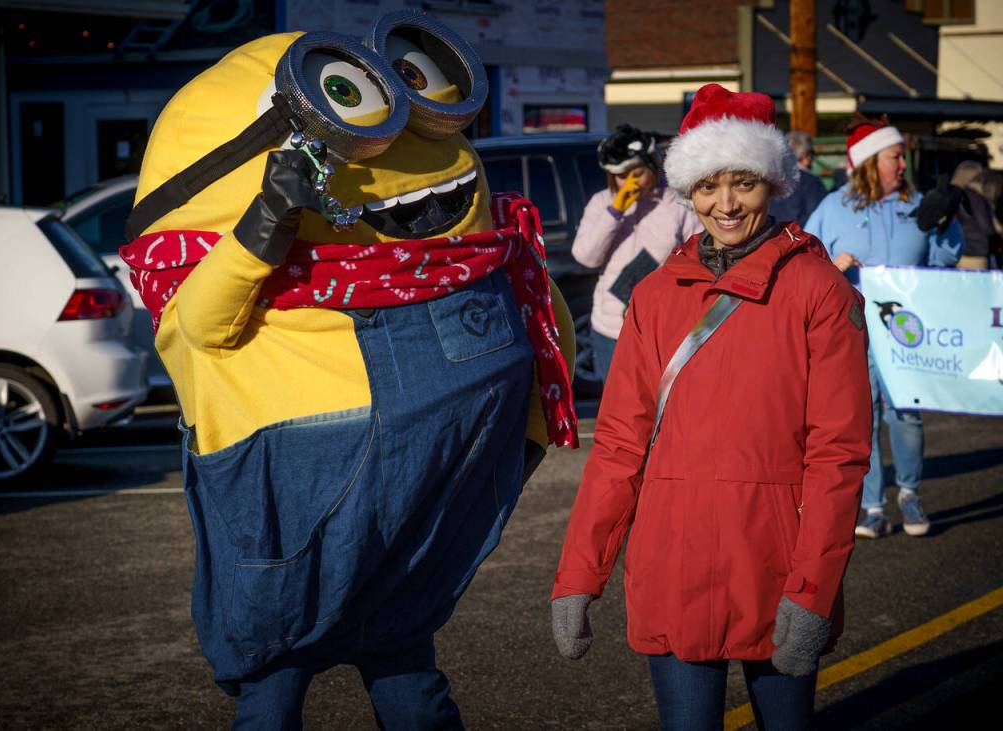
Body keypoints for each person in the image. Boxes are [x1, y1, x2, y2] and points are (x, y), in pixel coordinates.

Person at [120, 16, 578, 728]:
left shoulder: (480, 252)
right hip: (303, 508)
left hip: (373, 513)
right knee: (312, 667)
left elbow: (538, 332)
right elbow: (198, 326)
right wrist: (264, 222)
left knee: (358, 665)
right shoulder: (241, 258)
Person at [550, 83, 872, 729]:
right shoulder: (656, 295)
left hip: (777, 568)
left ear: (772, 183)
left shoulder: (819, 290)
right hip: (673, 566)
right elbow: (618, 443)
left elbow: (838, 455)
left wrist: (812, 591)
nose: (724, 204)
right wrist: (579, 573)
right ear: (688, 189)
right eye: (707, 186)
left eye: (743, 183)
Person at [805, 114, 963, 539]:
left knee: (906, 414)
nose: (902, 165)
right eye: (895, 156)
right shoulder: (833, 208)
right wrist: (831, 267)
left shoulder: (916, 206)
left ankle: (909, 494)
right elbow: (803, 267)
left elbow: (944, 261)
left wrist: (947, 225)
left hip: (905, 336)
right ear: (872, 160)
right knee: (862, 419)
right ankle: (873, 506)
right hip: (851, 334)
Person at [572, 124, 701, 380]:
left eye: (637, 172)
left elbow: (698, 259)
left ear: (653, 165)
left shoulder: (678, 204)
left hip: (662, 326)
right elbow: (585, 257)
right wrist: (615, 212)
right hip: (610, 328)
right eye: (622, 176)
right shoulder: (601, 202)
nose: (630, 181)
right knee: (616, 408)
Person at [768, 129, 828, 225]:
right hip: (801, 237)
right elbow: (822, 218)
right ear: (806, 156)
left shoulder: (770, 179)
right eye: (812, 153)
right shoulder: (812, 183)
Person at [950, 160, 1001, 270]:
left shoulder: (955, 196)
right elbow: (987, 228)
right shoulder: (976, 198)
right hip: (976, 253)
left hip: (958, 252)